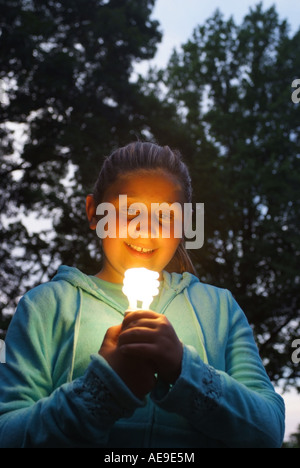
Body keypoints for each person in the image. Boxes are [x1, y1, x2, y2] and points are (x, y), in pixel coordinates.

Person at [0, 142, 285, 448]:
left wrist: (183, 369)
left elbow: (267, 431)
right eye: (128, 211)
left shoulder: (218, 309)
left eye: (165, 217)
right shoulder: (47, 306)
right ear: (94, 213)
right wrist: (101, 389)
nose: (145, 230)